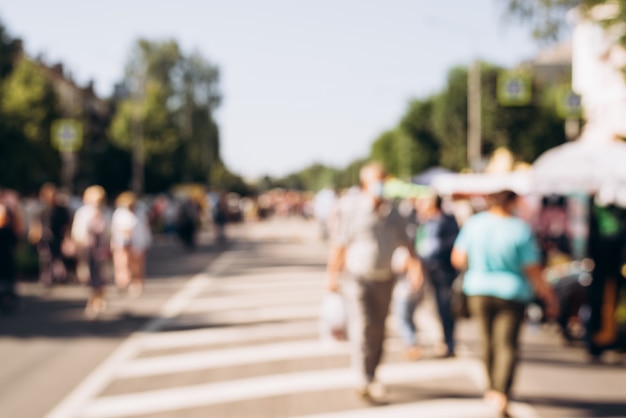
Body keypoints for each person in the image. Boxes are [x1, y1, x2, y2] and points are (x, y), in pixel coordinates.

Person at [451, 190, 558, 416]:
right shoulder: (519, 229)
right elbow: (533, 269)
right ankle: (501, 392)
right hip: (512, 291)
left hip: (478, 288)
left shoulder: (475, 224)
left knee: (487, 341)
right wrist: (549, 297)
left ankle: (492, 388)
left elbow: (458, 258)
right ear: (510, 203)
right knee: (507, 344)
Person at [326, 162, 422, 403]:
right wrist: (331, 275)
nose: (381, 184)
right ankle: (363, 377)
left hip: (385, 279)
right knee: (363, 327)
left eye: (384, 178)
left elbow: (407, 245)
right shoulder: (353, 210)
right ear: (365, 184)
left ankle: (372, 372)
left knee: (379, 329)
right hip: (358, 279)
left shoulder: (394, 213)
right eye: (377, 179)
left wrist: (415, 269)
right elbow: (340, 244)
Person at [415, 193, 459, 358]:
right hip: (424, 268)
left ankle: (448, 342)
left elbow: (452, 244)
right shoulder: (421, 221)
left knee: (445, 306)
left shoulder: (447, 221)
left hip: (442, 269)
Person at [71, 186, 111, 319]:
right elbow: (77, 233)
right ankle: (93, 300)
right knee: (89, 277)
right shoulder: (83, 213)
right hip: (87, 249)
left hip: (102, 250)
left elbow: (110, 232)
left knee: (102, 276)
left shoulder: (106, 213)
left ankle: (98, 300)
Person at [29, 183, 71, 286]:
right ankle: (46, 277)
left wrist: (67, 237)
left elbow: (66, 224)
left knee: (57, 257)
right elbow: (36, 223)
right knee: (45, 258)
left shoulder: (61, 209)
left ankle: (59, 276)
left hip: (58, 236)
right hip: (45, 236)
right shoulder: (41, 209)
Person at [111, 192, 151, 297]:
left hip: (137, 242)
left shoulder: (140, 213)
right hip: (122, 243)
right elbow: (115, 229)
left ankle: (137, 282)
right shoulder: (119, 213)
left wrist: (147, 241)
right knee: (122, 263)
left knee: (137, 264)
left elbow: (144, 228)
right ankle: (123, 282)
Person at [0, 203, 19, 313]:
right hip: (7, 260)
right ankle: (7, 301)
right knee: (7, 283)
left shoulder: (7, 230)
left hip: (5, 260)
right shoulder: (8, 231)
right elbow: (16, 245)